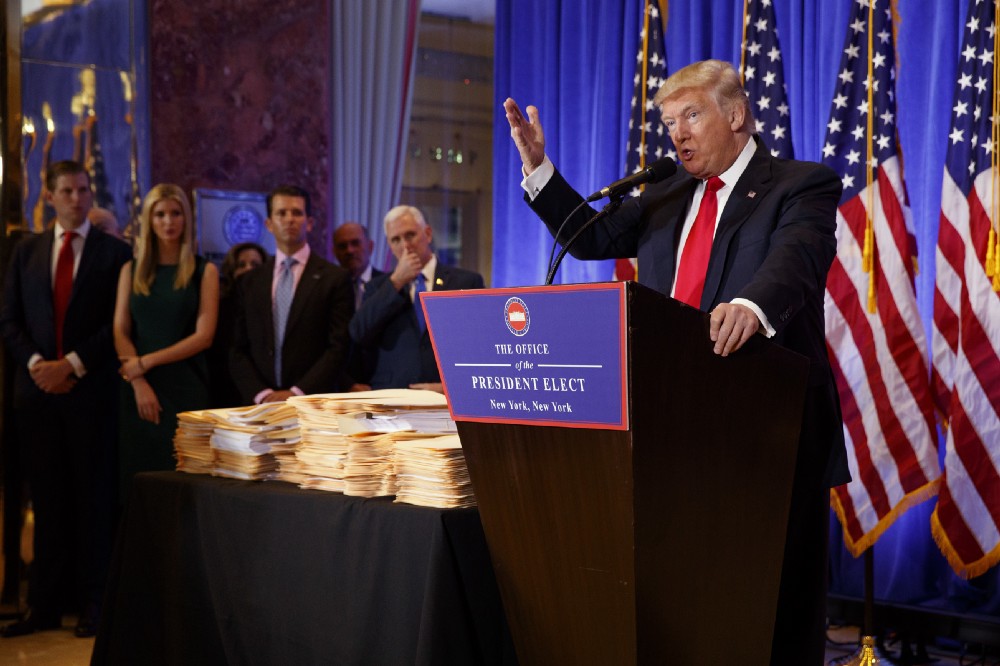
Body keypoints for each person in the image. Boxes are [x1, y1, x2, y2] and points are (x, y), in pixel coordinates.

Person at [504, 59, 849, 665]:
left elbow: (795, 259)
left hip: (768, 434)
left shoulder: (801, 184)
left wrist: (750, 304)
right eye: (668, 123)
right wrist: (539, 169)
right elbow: (588, 238)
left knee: (776, 614)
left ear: (736, 114)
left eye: (692, 115)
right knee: (694, 608)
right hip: (675, 432)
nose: (678, 134)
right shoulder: (665, 193)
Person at [0, 160, 132, 638]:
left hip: (89, 392)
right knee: (48, 503)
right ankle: (43, 607)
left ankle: (96, 604)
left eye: (83, 190)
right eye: (67, 191)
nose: (77, 199)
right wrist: (39, 365)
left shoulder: (115, 254)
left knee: (93, 502)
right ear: (50, 196)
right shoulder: (27, 251)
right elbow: (8, 319)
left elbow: (115, 325)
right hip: (36, 397)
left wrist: (72, 363)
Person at [114, 184, 219, 486]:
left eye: (175, 213)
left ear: (186, 218)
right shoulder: (130, 270)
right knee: (138, 479)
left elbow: (204, 336)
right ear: (149, 220)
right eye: (160, 214)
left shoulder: (204, 270)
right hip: (137, 389)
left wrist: (144, 363)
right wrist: (137, 380)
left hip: (185, 385)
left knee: (183, 479)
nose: (168, 221)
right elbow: (120, 330)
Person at [229, 185, 352, 404]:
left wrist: (296, 393)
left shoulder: (335, 278)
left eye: (297, 212)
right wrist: (262, 394)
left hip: (314, 403)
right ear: (268, 224)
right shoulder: (249, 282)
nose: (289, 219)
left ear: (310, 222)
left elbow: (339, 347)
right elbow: (237, 348)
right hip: (261, 405)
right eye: (281, 213)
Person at [349, 206, 484, 392]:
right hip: (394, 394)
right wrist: (396, 282)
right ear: (389, 245)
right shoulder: (378, 287)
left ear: (427, 234)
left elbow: (479, 343)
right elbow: (359, 332)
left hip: (446, 392)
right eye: (395, 239)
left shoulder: (466, 281)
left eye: (410, 235)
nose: (405, 246)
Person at [209, 242, 267, 406]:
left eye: (255, 264)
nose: (249, 269)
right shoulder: (220, 307)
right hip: (225, 391)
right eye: (241, 265)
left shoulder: (272, 308)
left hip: (264, 393)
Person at [332, 222, 383, 391]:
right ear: (334, 252)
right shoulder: (326, 290)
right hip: (339, 388)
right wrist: (347, 384)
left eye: (355, 243)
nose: (350, 250)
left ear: (370, 246)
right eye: (342, 246)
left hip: (383, 386)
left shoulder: (389, 286)